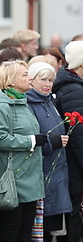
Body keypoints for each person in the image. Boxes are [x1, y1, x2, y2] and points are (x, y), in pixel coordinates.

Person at [0, 60, 45, 242]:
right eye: (24, 74)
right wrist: (32, 140)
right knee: (11, 228)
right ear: (11, 81)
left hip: (29, 178)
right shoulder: (3, 106)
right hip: (13, 179)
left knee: (25, 230)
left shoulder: (22, 102)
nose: (30, 78)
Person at [26, 62, 72, 242]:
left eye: (50, 80)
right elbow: (31, 139)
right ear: (32, 80)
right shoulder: (29, 103)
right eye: (42, 79)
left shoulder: (50, 101)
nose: (47, 84)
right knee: (38, 230)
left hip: (56, 170)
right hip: (41, 171)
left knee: (51, 226)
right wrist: (52, 143)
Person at [52, 41, 83, 242]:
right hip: (74, 169)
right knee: (73, 222)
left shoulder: (73, 86)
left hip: (72, 168)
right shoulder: (74, 90)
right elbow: (80, 138)